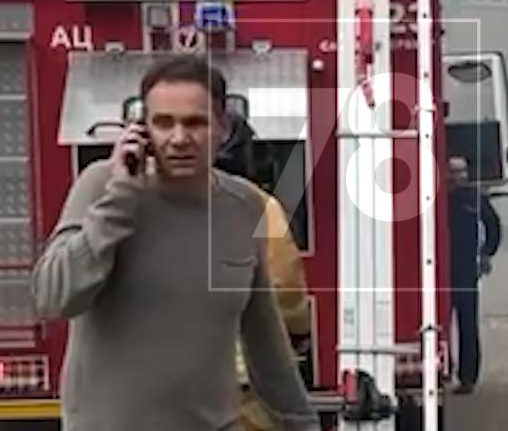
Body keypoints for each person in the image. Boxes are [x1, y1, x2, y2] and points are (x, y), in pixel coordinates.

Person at [33, 54, 318, 431]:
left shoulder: (246, 207)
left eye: (195, 123)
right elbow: (54, 297)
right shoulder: (100, 187)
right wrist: (120, 200)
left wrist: (302, 422)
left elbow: (265, 340)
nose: (180, 138)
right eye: (164, 123)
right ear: (142, 129)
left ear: (223, 126)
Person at [213, 111, 314, 431]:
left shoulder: (147, 204)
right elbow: (285, 287)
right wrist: (297, 333)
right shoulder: (258, 206)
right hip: (244, 387)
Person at [446, 154, 502, 394]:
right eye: (454, 172)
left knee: (468, 324)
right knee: (436, 325)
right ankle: (443, 368)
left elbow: (494, 225)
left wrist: (487, 253)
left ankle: (468, 377)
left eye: (462, 171)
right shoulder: (439, 198)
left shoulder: (475, 198)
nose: (458, 177)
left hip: (466, 269)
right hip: (439, 271)